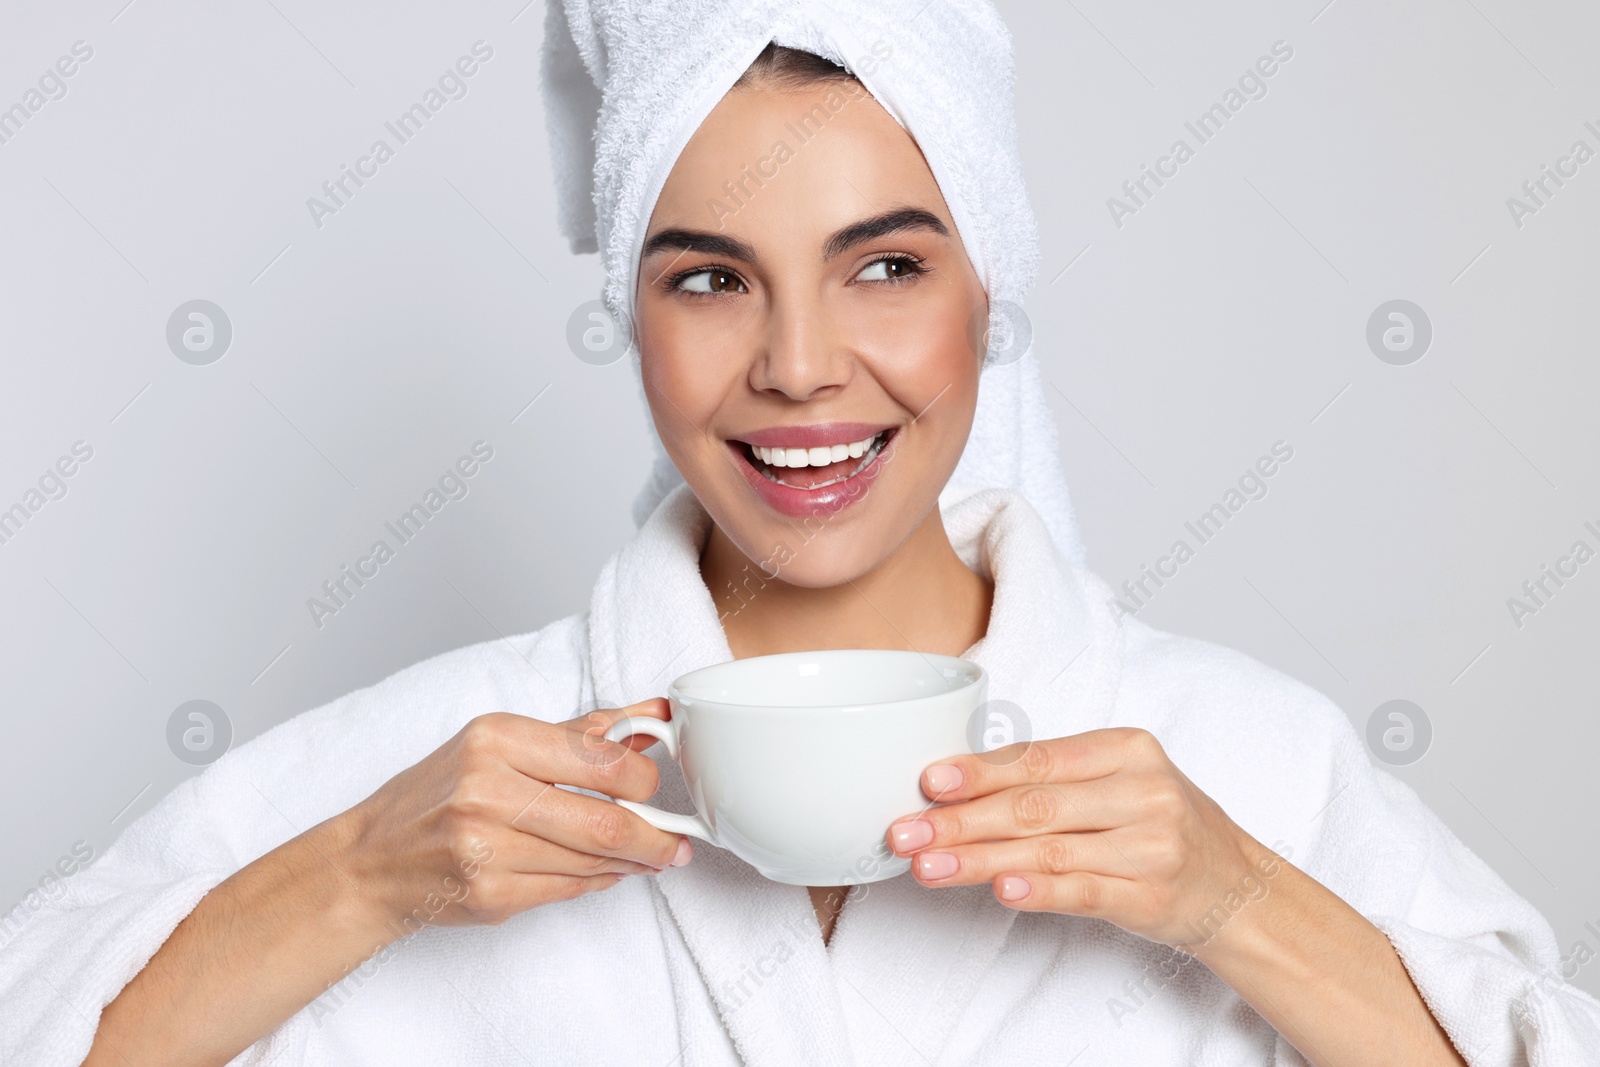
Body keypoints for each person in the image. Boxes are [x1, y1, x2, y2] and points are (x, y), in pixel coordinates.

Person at [5, 3, 1598, 1065]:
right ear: (629, 313)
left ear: (993, 286)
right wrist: (355, 879)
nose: (798, 362)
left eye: (888, 267)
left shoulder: (1234, 766)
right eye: (707, 278)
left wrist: (1239, 905)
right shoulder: (442, 780)